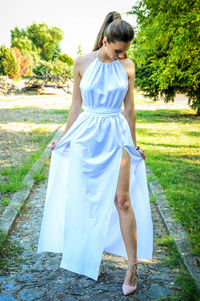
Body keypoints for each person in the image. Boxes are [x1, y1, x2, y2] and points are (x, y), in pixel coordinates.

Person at [37, 11, 153, 296]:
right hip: (88, 135)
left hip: (117, 134)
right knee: (88, 198)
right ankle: (90, 256)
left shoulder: (127, 67)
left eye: (125, 51)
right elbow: (75, 107)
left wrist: (134, 144)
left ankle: (132, 266)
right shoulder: (81, 63)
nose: (121, 56)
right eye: (117, 50)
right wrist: (64, 139)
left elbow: (129, 109)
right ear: (105, 40)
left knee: (122, 200)